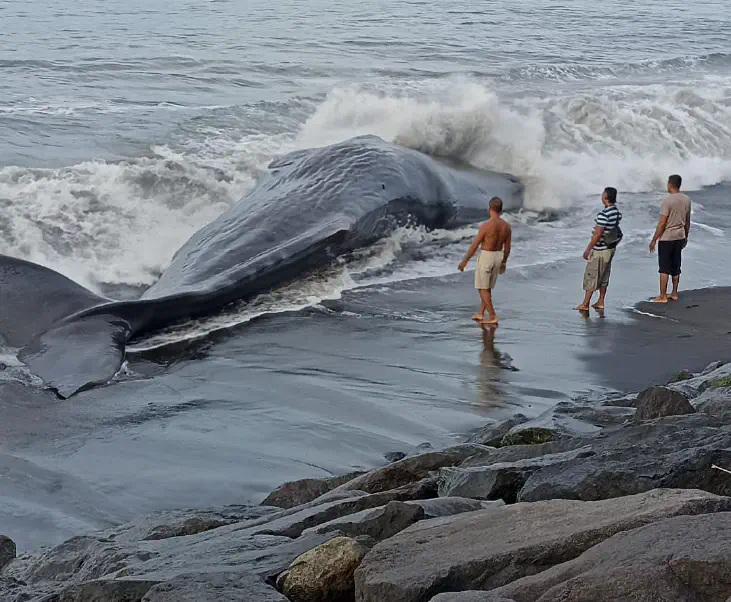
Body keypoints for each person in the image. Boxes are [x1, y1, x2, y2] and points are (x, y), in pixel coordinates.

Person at [458, 196, 512, 326]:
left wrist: (464, 261)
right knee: (487, 287)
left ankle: (492, 315)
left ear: (489, 209)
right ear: (501, 209)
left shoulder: (486, 226)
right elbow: (508, 248)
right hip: (498, 256)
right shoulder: (506, 226)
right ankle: (481, 313)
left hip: (487, 256)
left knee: (482, 288)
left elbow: (475, 245)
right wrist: (504, 262)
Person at [575, 187, 622, 311]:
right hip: (610, 248)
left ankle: (585, 304)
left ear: (605, 196)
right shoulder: (616, 212)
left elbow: (598, 234)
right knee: (604, 275)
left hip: (600, 249)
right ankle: (600, 301)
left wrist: (588, 249)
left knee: (592, 275)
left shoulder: (604, 214)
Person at [649, 174, 691, 303]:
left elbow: (662, 223)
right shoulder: (686, 199)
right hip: (680, 236)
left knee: (664, 267)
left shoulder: (667, 201)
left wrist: (654, 239)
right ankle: (674, 293)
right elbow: (687, 221)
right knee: (676, 265)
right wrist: (686, 236)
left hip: (667, 237)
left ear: (670, 184)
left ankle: (662, 296)